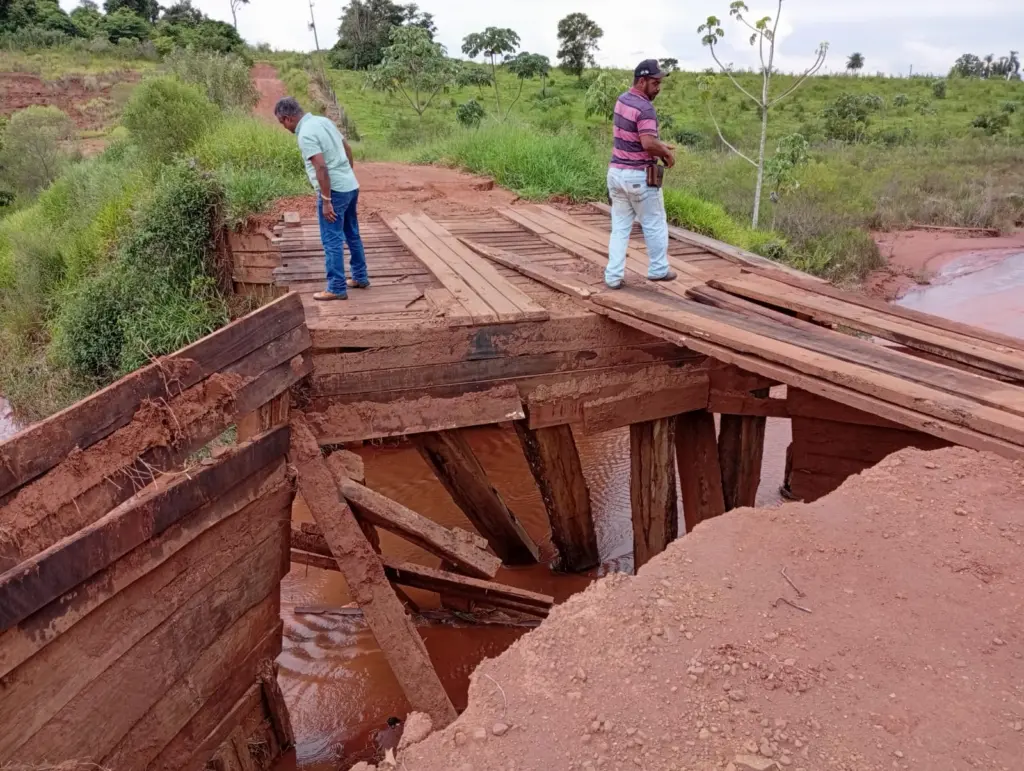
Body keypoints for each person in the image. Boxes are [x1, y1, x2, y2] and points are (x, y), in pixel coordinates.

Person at [274, 97, 369, 301]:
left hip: (334, 191)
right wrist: (346, 175)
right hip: (350, 185)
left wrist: (326, 200)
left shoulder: (305, 134)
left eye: (282, 123)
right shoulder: (323, 122)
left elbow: (321, 167)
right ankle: (360, 277)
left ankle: (336, 287)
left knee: (331, 239)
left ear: (288, 118)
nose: (284, 127)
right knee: (352, 233)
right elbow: (347, 149)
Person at [606, 59, 678, 290]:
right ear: (642, 80)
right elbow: (647, 143)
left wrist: (659, 145)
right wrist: (665, 152)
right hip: (638, 177)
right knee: (654, 223)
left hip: (616, 174)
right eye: (655, 82)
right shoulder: (645, 108)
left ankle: (613, 276)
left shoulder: (622, 100)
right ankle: (658, 269)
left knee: (620, 228)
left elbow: (633, 137)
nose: (658, 87)